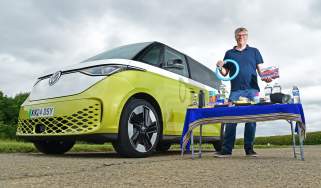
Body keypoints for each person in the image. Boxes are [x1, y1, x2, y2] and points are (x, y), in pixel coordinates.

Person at [215, 27, 272, 157]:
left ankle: (249, 149)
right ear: (235, 37)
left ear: (247, 36)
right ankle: (226, 150)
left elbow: (261, 71)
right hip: (235, 90)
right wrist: (219, 66)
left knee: (252, 118)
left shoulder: (254, 51)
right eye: (239, 35)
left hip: (253, 90)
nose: (241, 37)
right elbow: (225, 72)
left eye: (244, 35)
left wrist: (267, 78)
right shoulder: (229, 53)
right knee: (230, 118)